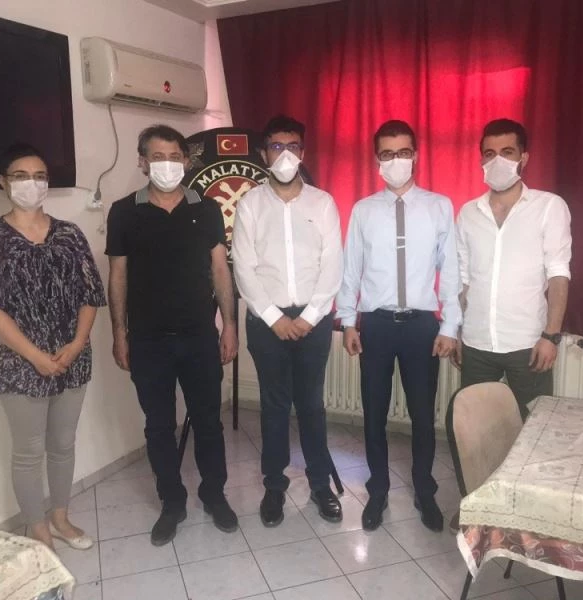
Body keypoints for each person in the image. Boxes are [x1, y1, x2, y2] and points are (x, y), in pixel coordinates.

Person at [105, 125, 239, 546]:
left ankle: (214, 494)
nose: (167, 164)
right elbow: (118, 275)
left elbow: (220, 269)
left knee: (208, 422)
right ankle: (172, 501)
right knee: (159, 426)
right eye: (157, 156)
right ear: (142, 162)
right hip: (148, 340)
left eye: (175, 156)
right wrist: (119, 333)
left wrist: (230, 325)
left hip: (199, 335)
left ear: (186, 160)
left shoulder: (207, 208)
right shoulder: (124, 212)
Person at [0, 144, 106, 550]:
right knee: (28, 452)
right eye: (21, 176)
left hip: (71, 358)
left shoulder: (69, 234)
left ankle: (60, 518)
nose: (32, 183)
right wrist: (34, 356)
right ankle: (37, 528)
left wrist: (77, 344)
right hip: (18, 363)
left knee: (63, 445)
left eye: (40, 176)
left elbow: (90, 293)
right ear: (4, 182)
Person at [336, 120, 462, 532]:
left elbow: (452, 270)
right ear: (377, 159)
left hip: (422, 326)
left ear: (416, 156)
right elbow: (350, 268)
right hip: (376, 324)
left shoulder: (439, 206)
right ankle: (377, 490)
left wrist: (450, 326)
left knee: (423, 415)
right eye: (387, 154)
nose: (396, 160)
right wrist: (348, 321)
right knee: (374, 412)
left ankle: (425, 491)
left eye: (403, 152)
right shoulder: (363, 210)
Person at [451, 118, 571, 533]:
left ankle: (530, 516)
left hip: (528, 343)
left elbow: (559, 274)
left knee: (533, 432)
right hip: (477, 342)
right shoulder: (468, 213)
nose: (497, 160)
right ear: (480, 159)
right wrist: (458, 331)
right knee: (475, 433)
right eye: (489, 153)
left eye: (507, 152)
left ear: (524, 157)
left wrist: (551, 335)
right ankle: (477, 507)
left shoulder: (549, 207)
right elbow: (463, 280)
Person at [232, 115, 344, 527]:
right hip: (267, 322)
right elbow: (243, 267)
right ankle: (275, 486)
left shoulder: (323, 202)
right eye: (276, 147)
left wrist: (310, 317)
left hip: (314, 320)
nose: (284, 154)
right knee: (274, 406)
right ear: (264, 154)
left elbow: (333, 264)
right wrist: (274, 318)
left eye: (292, 146)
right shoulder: (250, 204)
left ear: (303, 152)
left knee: (312, 405)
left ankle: (320, 485)